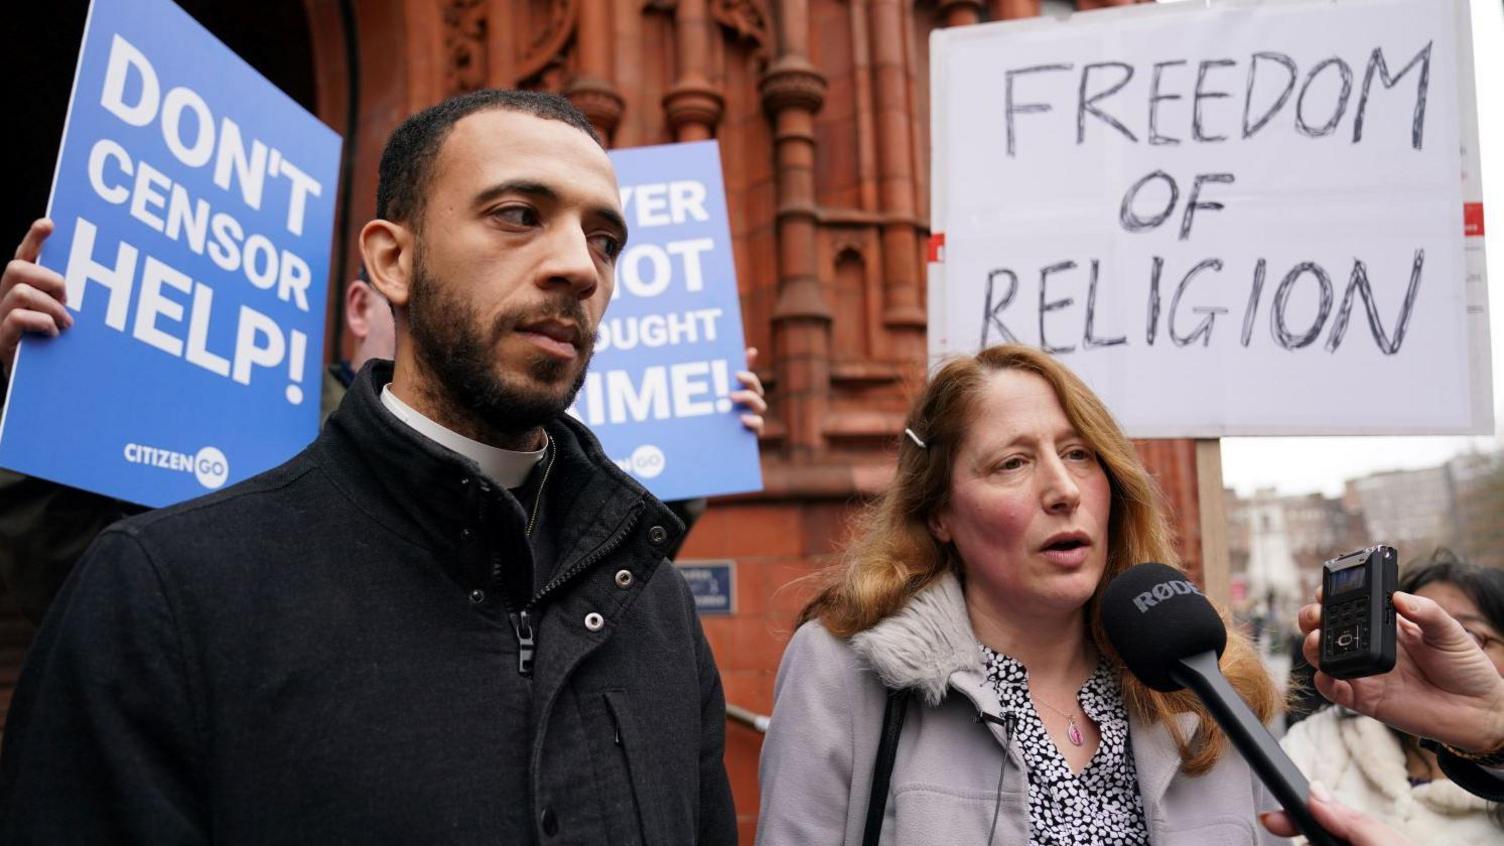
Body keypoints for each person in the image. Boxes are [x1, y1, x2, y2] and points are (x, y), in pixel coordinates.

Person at [0, 89, 739, 843]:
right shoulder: (162, 589)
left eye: (606, 240)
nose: (580, 267)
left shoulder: (660, 612)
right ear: (392, 260)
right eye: (519, 215)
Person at [0, 230, 764, 626]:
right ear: (369, 301)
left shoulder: (517, 453)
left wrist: (699, 443)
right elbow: (68, 568)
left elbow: (585, 574)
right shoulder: (252, 445)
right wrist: (27, 397)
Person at [756, 343, 1283, 845]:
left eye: (1079, 454)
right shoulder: (847, 675)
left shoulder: (1200, 681)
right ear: (939, 513)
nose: (1064, 490)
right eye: (1013, 463)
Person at [0, 221, 396, 624]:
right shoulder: (228, 427)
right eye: (403, 296)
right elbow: (77, 581)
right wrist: (40, 402)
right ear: (360, 308)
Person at [1279, 551, 1504, 844]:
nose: (1434, 649)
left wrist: (1495, 727)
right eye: (1413, 627)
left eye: (1467, 633)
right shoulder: (1320, 738)